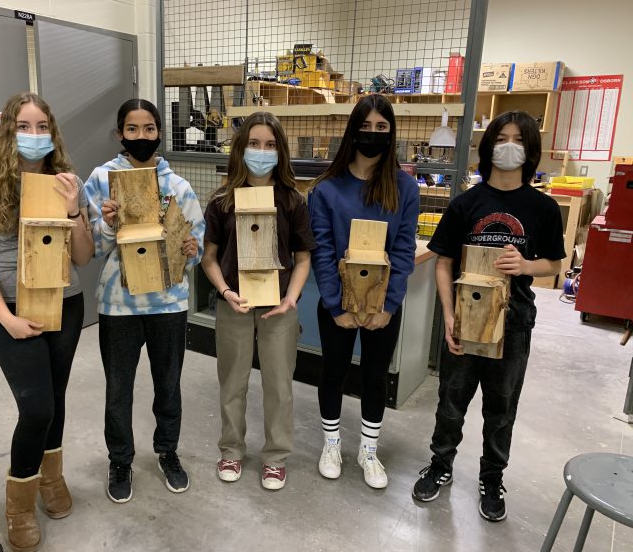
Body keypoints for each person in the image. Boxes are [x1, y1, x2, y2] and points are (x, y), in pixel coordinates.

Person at [411, 111, 565, 521]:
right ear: (489, 146)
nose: (509, 146)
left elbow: (554, 264)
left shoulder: (544, 208)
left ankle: (492, 479)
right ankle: (440, 466)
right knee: (451, 402)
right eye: (502, 138)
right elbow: (443, 262)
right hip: (467, 317)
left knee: (501, 408)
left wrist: (526, 266)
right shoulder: (466, 203)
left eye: (518, 139)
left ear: (530, 151)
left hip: (513, 323)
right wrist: (447, 314)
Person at [0, 92, 94, 552]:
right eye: (23, 126)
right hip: (13, 311)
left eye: (42, 127)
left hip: (67, 305)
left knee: (55, 399)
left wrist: (75, 208)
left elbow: (82, 256)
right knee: (35, 406)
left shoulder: (66, 182)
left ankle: (50, 479)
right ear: (7, 132)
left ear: (52, 133)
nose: (34, 136)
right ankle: (18, 503)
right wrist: (6, 317)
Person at [84, 99, 204, 504]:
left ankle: (168, 451)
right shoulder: (101, 181)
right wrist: (106, 222)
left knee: (167, 385)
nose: (141, 137)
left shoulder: (178, 186)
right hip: (118, 306)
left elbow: (197, 245)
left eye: (148, 129)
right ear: (120, 134)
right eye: (132, 129)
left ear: (159, 132)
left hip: (169, 304)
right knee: (119, 388)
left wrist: (192, 247)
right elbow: (88, 248)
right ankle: (120, 459)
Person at [308, 94, 419, 489]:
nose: (372, 135)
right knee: (333, 372)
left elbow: (404, 249)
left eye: (382, 128)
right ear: (353, 130)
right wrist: (336, 304)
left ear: (391, 135)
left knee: (374, 376)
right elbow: (321, 250)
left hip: (383, 307)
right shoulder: (326, 190)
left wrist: (388, 305)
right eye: (366, 127)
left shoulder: (404, 188)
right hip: (337, 305)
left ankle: (369, 451)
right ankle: (332, 444)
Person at [201, 111, 316, 490]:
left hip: (278, 308)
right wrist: (225, 292)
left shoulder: (293, 202)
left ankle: (276, 457)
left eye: (270, 145)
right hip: (234, 303)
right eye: (254, 144)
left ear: (280, 152)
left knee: (279, 385)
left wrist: (291, 299)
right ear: (241, 148)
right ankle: (231, 450)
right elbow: (209, 258)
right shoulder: (222, 200)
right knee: (231, 382)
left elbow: (303, 259)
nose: (261, 152)